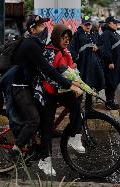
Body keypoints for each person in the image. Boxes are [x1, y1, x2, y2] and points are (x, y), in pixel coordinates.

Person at [8, 15, 82, 155]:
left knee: (48, 120)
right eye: (41, 26)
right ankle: (16, 149)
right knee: (34, 120)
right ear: (32, 29)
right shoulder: (32, 45)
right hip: (21, 86)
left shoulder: (38, 44)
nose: (45, 29)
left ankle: (41, 145)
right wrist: (69, 84)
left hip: (31, 84)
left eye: (44, 25)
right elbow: (47, 69)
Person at [35, 24, 84, 176]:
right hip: (47, 92)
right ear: (56, 37)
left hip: (59, 89)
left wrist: (77, 82)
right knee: (47, 128)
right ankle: (44, 160)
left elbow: (67, 71)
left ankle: (74, 135)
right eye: (63, 38)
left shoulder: (64, 51)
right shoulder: (49, 52)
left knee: (76, 106)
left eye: (68, 39)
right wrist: (70, 86)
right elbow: (49, 76)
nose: (66, 41)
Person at [68, 16, 105, 111]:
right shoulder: (77, 35)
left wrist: (98, 48)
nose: (88, 26)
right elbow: (72, 48)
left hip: (94, 65)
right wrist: (75, 61)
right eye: (86, 24)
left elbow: (102, 45)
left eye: (89, 24)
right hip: (82, 65)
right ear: (82, 24)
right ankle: (77, 107)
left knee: (90, 85)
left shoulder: (94, 33)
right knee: (80, 84)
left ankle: (89, 108)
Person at [100, 16, 120, 110]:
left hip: (117, 64)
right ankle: (109, 103)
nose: (116, 25)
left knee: (114, 82)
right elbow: (106, 49)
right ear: (109, 23)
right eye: (115, 23)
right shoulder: (107, 34)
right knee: (111, 83)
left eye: (117, 23)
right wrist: (109, 61)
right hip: (111, 64)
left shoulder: (113, 33)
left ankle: (111, 101)